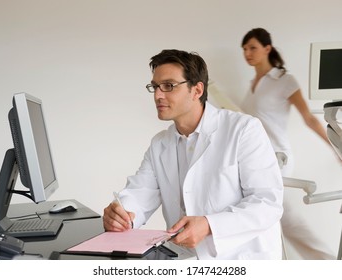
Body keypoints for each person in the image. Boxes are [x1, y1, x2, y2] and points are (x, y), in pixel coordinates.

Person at [103, 49, 284, 260]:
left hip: (242, 258)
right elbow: (140, 193)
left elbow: (267, 203)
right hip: (187, 258)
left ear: (197, 90)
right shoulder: (160, 143)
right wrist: (123, 213)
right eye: (155, 87)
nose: (158, 95)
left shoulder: (243, 129)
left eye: (168, 86)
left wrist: (209, 225)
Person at [240, 28, 335, 259]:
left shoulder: (284, 80)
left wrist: (336, 148)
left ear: (267, 48)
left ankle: (329, 263)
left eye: (252, 47)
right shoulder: (253, 84)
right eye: (244, 49)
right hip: (254, 159)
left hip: (277, 158)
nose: (247, 53)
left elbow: (309, 118)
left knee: (285, 217)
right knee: (268, 217)